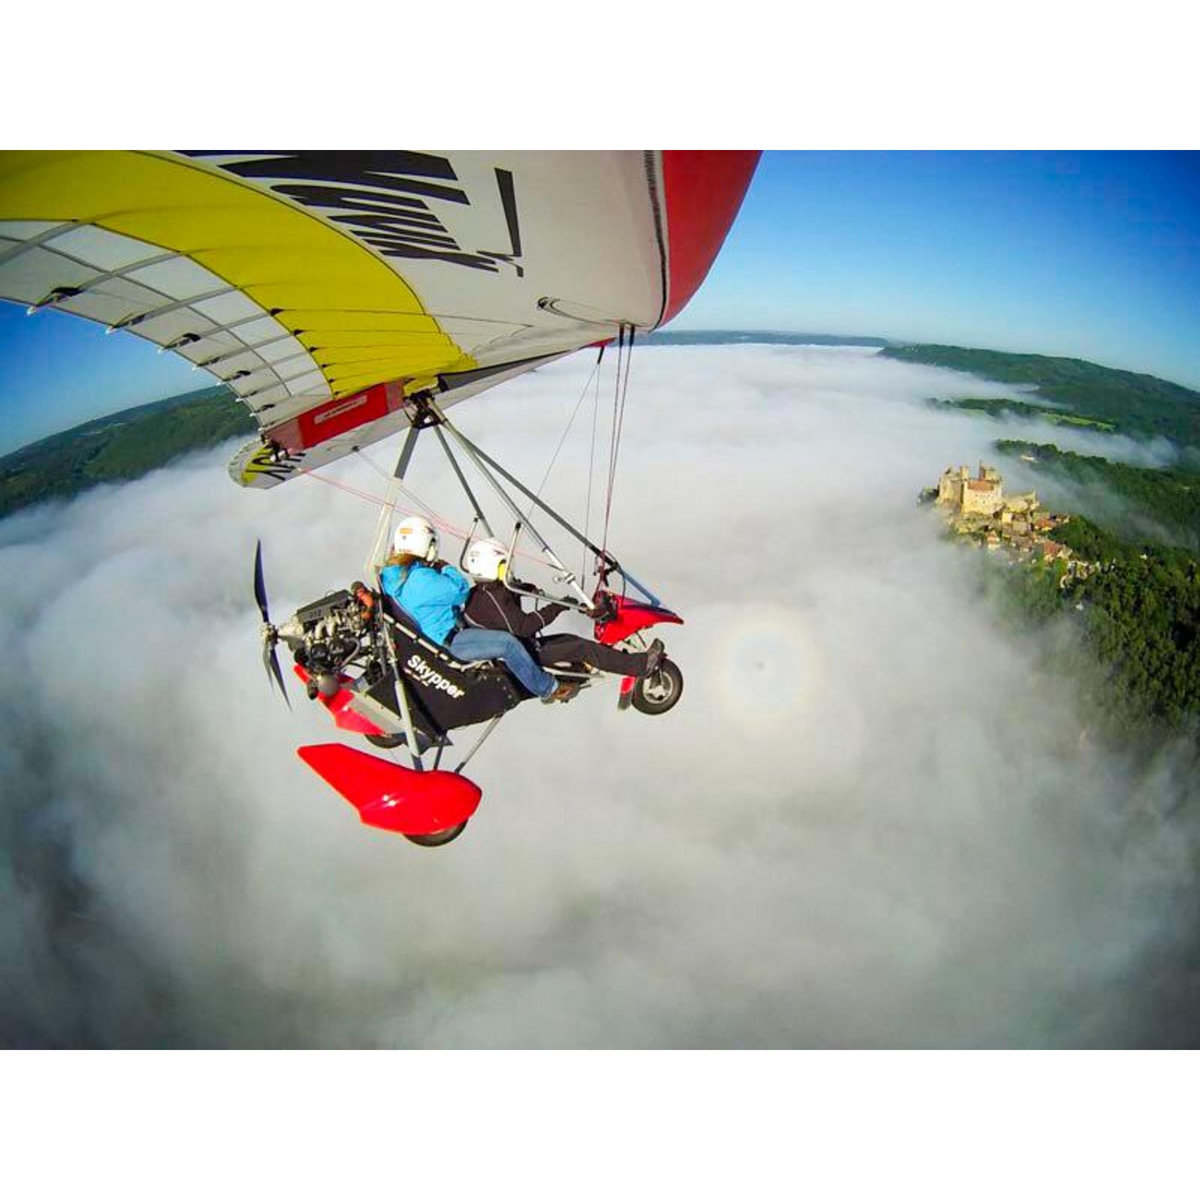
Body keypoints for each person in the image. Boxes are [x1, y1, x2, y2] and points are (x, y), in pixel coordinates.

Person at [379, 516, 577, 703]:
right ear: (427, 546)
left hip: (434, 636)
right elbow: (460, 590)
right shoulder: (421, 578)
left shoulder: (391, 576)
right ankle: (548, 689)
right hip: (450, 641)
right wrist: (446, 567)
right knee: (508, 643)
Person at [461, 538, 664, 678]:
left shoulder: (483, 592)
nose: (508, 570)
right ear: (492, 566)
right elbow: (524, 627)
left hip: (522, 649)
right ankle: (640, 666)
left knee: (570, 639)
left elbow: (507, 597)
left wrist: (525, 589)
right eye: (504, 566)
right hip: (522, 658)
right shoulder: (493, 599)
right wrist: (556, 607)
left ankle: (610, 662)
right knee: (583, 648)